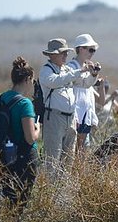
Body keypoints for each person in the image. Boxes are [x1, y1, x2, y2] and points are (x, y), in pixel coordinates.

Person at [39, 38, 99, 166]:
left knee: (68, 160)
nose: (66, 55)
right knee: (52, 159)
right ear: (53, 55)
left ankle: (63, 186)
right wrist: (81, 71)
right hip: (54, 117)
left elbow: (84, 84)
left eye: (66, 52)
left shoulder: (66, 70)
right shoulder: (46, 70)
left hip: (71, 118)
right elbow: (54, 81)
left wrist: (93, 75)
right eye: (63, 53)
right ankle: (50, 185)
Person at [0, 57, 41, 207]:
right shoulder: (25, 103)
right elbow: (30, 138)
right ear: (28, 79)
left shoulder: (0, 99)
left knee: (7, 199)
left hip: (3, 156)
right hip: (24, 159)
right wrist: (38, 130)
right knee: (19, 203)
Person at [68, 33, 102, 151]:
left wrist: (94, 74)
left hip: (85, 112)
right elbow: (79, 82)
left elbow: (87, 85)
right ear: (81, 49)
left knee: (83, 149)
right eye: (90, 50)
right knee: (74, 148)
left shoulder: (88, 66)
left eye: (94, 51)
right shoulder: (71, 67)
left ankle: (80, 170)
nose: (92, 53)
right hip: (75, 112)